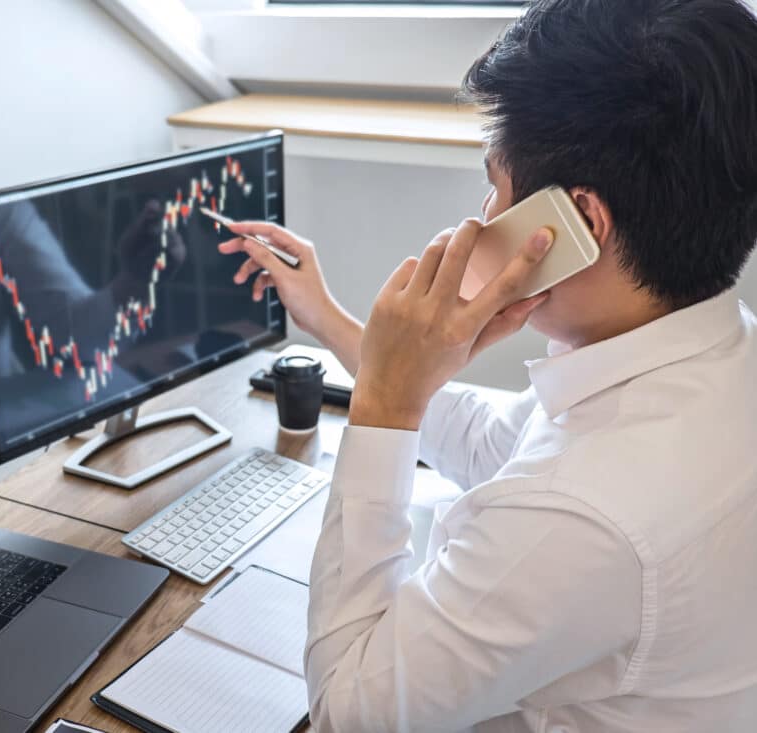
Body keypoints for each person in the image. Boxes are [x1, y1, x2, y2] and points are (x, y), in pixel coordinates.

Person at [219, 0, 757, 730]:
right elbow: (497, 443)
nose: (484, 211)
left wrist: (384, 402)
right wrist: (337, 327)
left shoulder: (584, 515)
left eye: (497, 187)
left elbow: (346, 709)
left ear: (580, 227)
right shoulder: (711, 349)